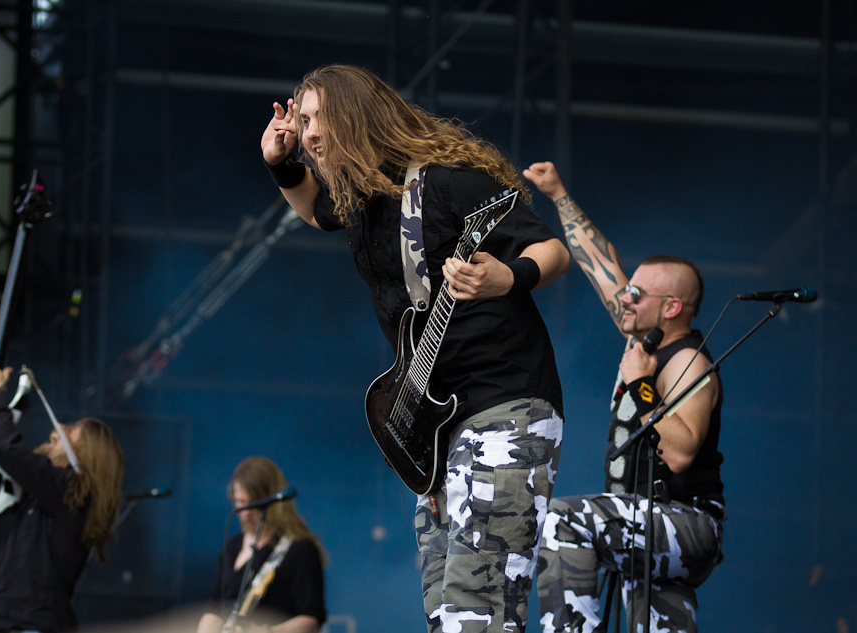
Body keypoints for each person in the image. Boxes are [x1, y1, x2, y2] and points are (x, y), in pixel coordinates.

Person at [260, 64, 569, 632]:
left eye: (313, 120)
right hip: (432, 430)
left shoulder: (449, 180)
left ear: (354, 117)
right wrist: (279, 164)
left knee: (481, 607)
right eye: (300, 123)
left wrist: (508, 276)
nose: (305, 135)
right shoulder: (360, 196)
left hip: (504, 404)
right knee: (446, 614)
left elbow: (551, 249)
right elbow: (311, 211)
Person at [523, 162, 725, 633]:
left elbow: (678, 453)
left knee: (560, 522)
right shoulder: (646, 339)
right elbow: (600, 263)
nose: (625, 298)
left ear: (671, 307)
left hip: (687, 523)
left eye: (637, 293)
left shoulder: (688, 361)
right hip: (646, 526)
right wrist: (557, 194)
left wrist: (641, 388)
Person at [0, 346, 125, 633]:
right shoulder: (45, 496)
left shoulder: (73, 494)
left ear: (90, 453)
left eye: (71, 430)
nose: (56, 431)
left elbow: (7, 448)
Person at [196, 456, 327, 633]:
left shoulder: (300, 549)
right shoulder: (232, 547)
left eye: (254, 504)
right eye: (240, 502)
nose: (247, 512)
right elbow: (214, 610)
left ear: (273, 501)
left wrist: (268, 632)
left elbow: (311, 620)